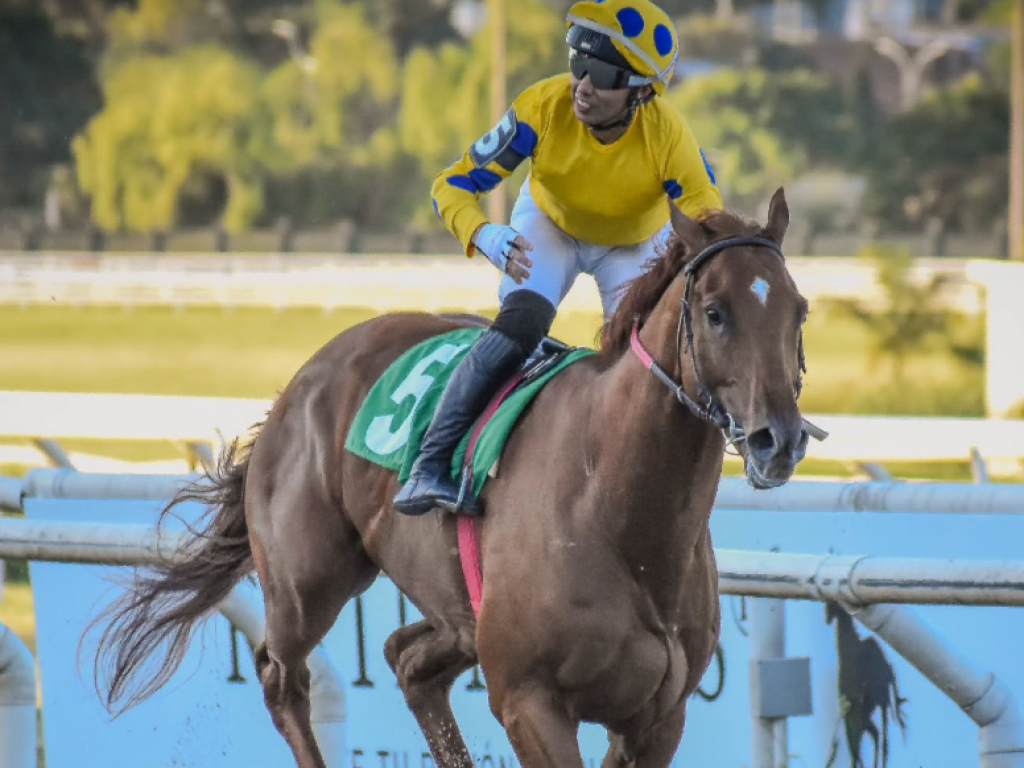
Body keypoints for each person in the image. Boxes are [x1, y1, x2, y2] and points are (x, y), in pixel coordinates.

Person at [394, 0, 724, 516]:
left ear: (640, 92)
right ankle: (429, 465)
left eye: (602, 74)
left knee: (639, 356)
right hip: (552, 224)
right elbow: (451, 184)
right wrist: (482, 233)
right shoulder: (542, 105)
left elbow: (710, 220)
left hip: (633, 244)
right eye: (577, 63)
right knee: (521, 324)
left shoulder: (669, 134)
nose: (582, 86)